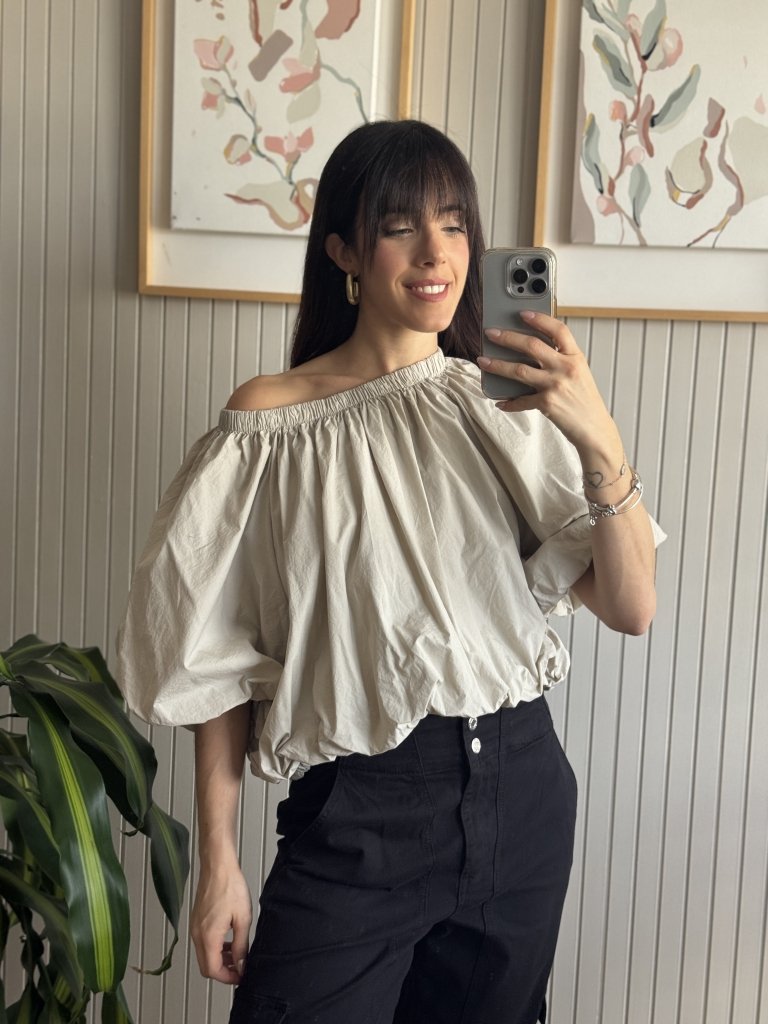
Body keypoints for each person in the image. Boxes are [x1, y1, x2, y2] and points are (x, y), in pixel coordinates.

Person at [117, 119, 663, 1024]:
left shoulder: (502, 405)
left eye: (454, 223)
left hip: (521, 794)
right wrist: (219, 861)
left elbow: (632, 605)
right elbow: (218, 660)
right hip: (361, 810)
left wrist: (597, 433)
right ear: (344, 250)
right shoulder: (268, 427)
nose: (435, 253)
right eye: (401, 225)